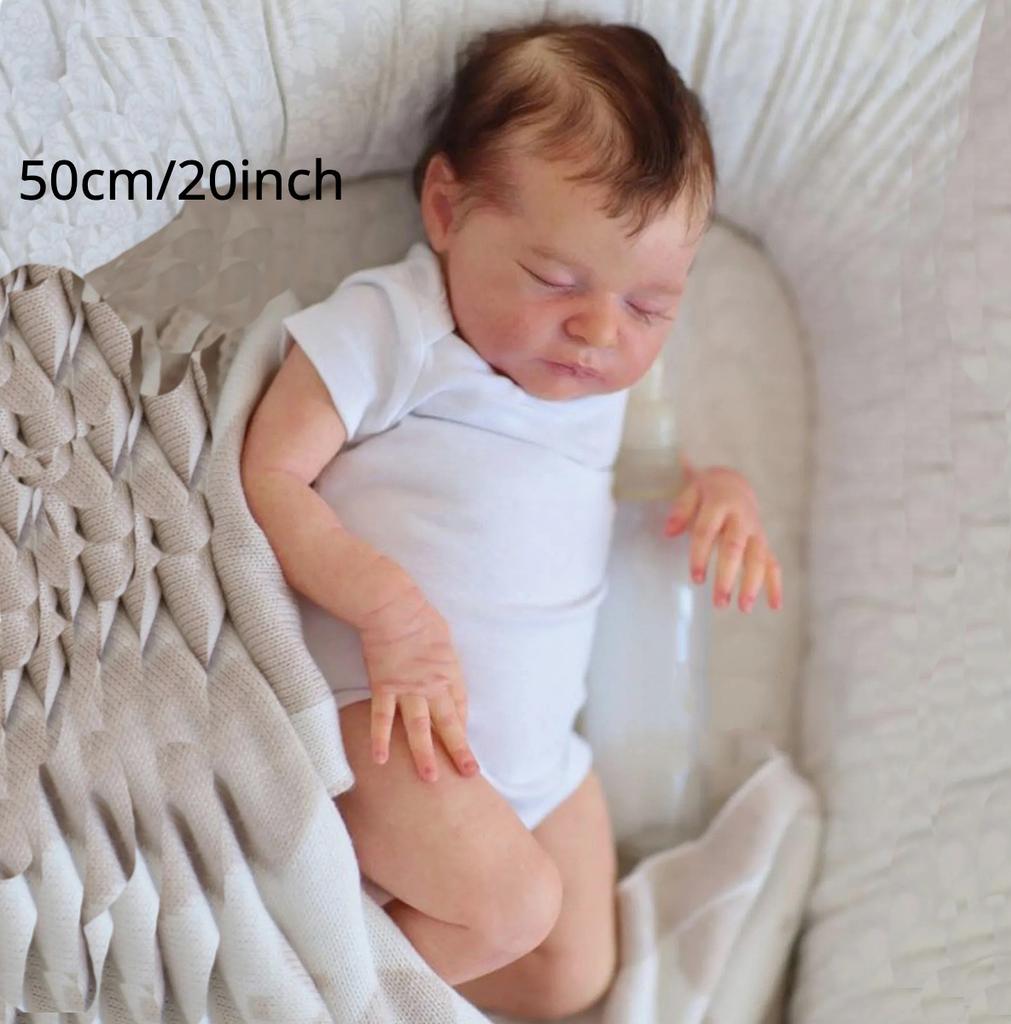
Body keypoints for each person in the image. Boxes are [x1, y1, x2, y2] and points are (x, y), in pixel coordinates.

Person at [240, 18, 783, 1021]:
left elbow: (651, 479)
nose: (599, 330)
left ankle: (345, 949)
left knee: (571, 972)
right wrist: (383, 605)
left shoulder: (606, 394)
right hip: (380, 725)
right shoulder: (398, 325)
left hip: (534, 768)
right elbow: (267, 470)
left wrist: (718, 492)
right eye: (556, 280)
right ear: (447, 208)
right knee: (517, 904)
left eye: (650, 306)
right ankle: (285, 989)